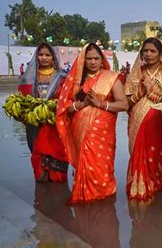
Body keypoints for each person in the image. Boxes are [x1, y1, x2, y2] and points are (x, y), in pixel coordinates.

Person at [56, 43, 129, 204]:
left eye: (96, 58)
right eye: (89, 58)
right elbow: (63, 107)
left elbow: (124, 104)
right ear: (83, 60)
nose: (93, 62)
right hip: (80, 130)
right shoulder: (76, 81)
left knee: (100, 165)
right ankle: (85, 196)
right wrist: (80, 105)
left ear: (102, 59)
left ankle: (103, 195)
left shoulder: (111, 78)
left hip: (102, 133)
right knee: (85, 164)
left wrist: (101, 104)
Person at [125, 37, 162, 201]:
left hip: (159, 123)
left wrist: (151, 92)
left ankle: (157, 186)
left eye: (153, 51)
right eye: (145, 51)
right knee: (138, 154)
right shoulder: (136, 72)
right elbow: (126, 102)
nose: (148, 54)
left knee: (156, 155)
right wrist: (139, 94)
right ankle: (138, 188)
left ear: (161, 53)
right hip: (137, 122)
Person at [17, 43, 68, 182]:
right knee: (40, 172)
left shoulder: (63, 77)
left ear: (54, 57)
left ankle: (59, 199)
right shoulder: (29, 77)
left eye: (47, 55)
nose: (44, 58)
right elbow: (21, 101)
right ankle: (41, 199)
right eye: (41, 55)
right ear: (36, 56)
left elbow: (68, 100)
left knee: (58, 175)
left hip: (55, 127)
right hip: (35, 126)